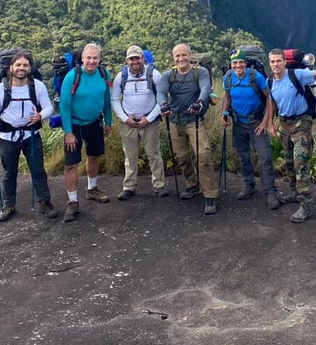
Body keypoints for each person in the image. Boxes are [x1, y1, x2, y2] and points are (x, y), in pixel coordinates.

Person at [0, 51, 58, 221]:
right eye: (18, 65)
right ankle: (9, 205)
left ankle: (44, 203)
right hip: (8, 137)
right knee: (10, 173)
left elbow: (48, 107)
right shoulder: (1, 90)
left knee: (38, 170)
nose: (21, 68)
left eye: (25, 65)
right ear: (11, 68)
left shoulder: (37, 86)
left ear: (30, 68)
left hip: (31, 135)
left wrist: (40, 116)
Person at [267, 49, 316, 223]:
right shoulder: (270, 80)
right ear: (269, 63)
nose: (276, 65)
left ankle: (307, 205)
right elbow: (272, 101)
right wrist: (270, 123)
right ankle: (294, 193)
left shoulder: (297, 74)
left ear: (284, 62)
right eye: (272, 62)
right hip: (283, 125)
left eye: (278, 61)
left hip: (301, 125)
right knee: (288, 163)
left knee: (300, 164)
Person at [157, 43, 218, 215]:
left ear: (190, 55)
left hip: (194, 120)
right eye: (177, 56)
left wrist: (200, 101)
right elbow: (161, 92)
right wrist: (163, 105)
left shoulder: (200, 72)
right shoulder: (169, 75)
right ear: (173, 58)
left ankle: (210, 194)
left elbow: (205, 88)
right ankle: (192, 184)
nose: (181, 59)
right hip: (175, 120)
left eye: (184, 55)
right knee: (182, 156)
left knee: (203, 155)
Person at [58, 42, 113, 222]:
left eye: (95, 58)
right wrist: (68, 132)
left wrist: (109, 122)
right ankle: (72, 202)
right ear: (82, 59)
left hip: (95, 123)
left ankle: (92, 190)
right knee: (71, 164)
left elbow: (106, 101)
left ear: (99, 59)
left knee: (94, 156)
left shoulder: (105, 75)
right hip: (74, 125)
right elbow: (64, 106)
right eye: (88, 58)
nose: (91, 61)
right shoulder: (72, 76)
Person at [111, 45, 169, 201]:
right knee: (130, 155)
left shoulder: (154, 75)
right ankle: (129, 186)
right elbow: (115, 99)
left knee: (153, 154)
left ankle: (159, 185)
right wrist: (124, 118)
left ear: (143, 58)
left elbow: (162, 99)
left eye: (137, 58)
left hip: (149, 120)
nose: (134, 61)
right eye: (131, 59)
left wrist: (149, 118)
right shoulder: (121, 77)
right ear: (127, 61)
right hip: (128, 121)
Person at [221, 49, 278, 210]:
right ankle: (249, 184)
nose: (238, 65)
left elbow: (269, 98)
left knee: (265, 157)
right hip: (239, 122)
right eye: (234, 63)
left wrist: (265, 122)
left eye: (240, 62)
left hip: (256, 121)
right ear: (231, 65)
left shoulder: (255, 77)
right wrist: (224, 113)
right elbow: (227, 97)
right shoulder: (228, 78)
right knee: (243, 155)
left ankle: (270, 191)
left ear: (245, 63)